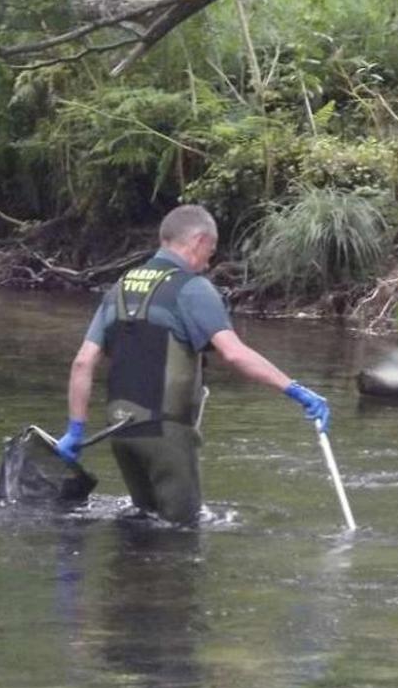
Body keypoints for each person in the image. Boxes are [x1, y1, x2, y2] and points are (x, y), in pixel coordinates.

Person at [53, 204, 330, 526]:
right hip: (165, 435)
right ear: (198, 241)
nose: (208, 263)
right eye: (210, 253)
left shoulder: (119, 288)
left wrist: (75, 430)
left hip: (120, 432)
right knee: (181, 535)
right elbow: (235, 354)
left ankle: (126, 577)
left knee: (143, 528)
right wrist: (295, 390)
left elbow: (82, 363)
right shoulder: (191, 288)